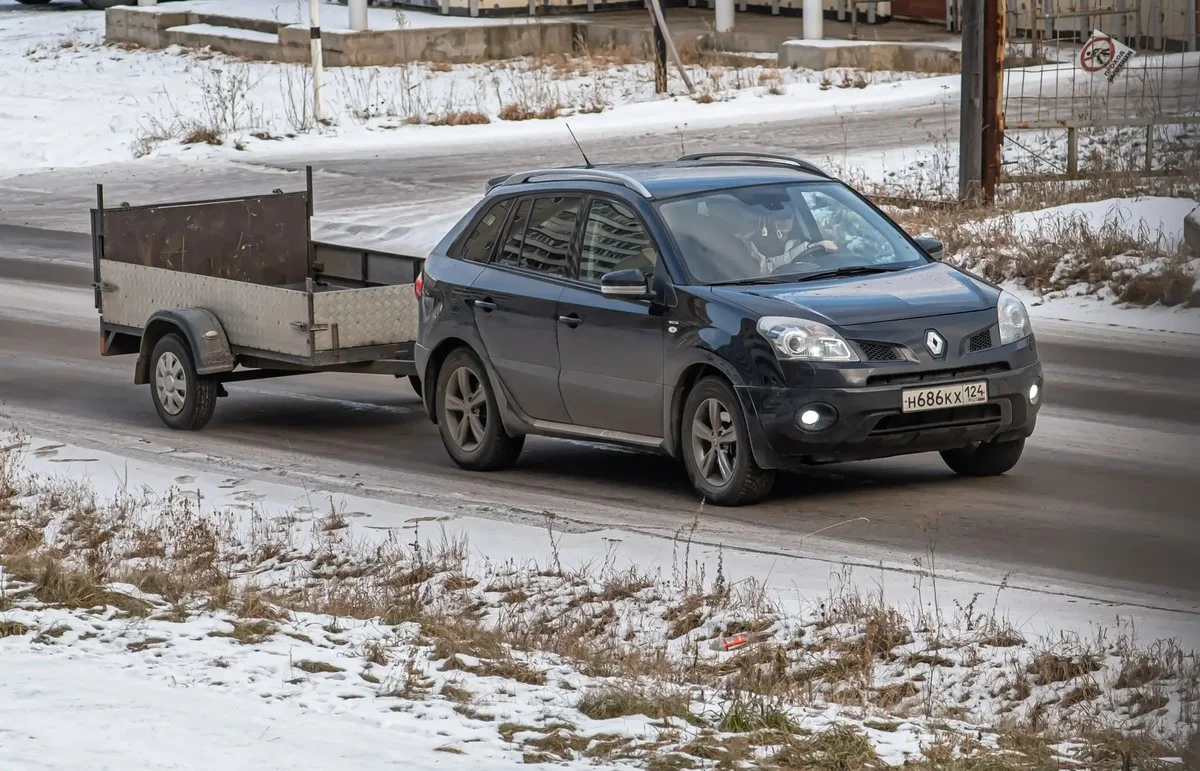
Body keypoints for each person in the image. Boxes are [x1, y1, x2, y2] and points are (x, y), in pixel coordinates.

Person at [738, 201, 838, 275]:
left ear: (794, 217)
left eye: (788, 215)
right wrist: (807, 248)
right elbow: (764, 269)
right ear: (768, 219)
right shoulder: (752, 241)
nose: (784, 221)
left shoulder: (802, 238)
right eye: (779, 216)